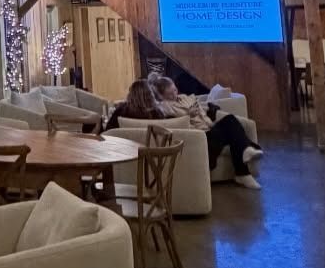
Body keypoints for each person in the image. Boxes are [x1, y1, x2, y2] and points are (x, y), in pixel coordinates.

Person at [105, 74, 263, 189]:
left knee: (229, 124)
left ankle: (245, 156)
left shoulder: (121, 111)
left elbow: (107, 133)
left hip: (129, 158)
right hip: (193, 141)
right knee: (229, 123)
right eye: (171, 92)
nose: (175, 93)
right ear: (153, 96)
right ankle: (246, 156)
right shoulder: (159, 114)